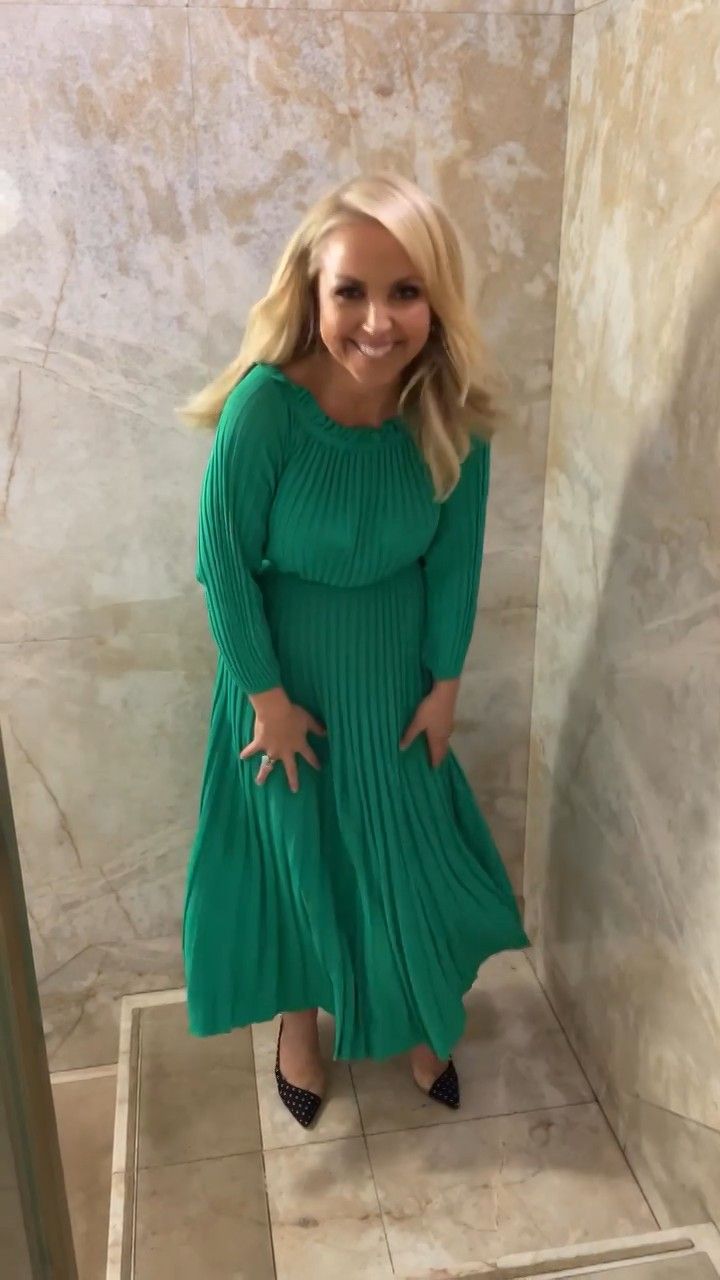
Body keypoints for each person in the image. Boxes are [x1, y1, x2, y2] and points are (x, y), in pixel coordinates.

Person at [180, 173, 529, 1128]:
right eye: (352, 292)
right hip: (281, 678)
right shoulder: (265, 408)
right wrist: (267, 701)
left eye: (406, 291)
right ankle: (300, 1024)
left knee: (407, 851)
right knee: (296, 852)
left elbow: (455, 566)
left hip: (395, 676)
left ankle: (416, 1007)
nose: (378, 321)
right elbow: (221, 564)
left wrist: (445, 686)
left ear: (437, 300)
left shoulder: (452, 414)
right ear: (313, 292)